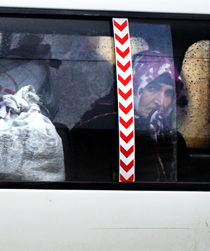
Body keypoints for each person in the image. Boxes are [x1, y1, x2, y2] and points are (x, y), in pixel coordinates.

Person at [70, 50, 190, 182]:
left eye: (168, 93)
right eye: (153, 88)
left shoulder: (172, 138)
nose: (160, 101)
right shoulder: (99, 127)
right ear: (133, 86)